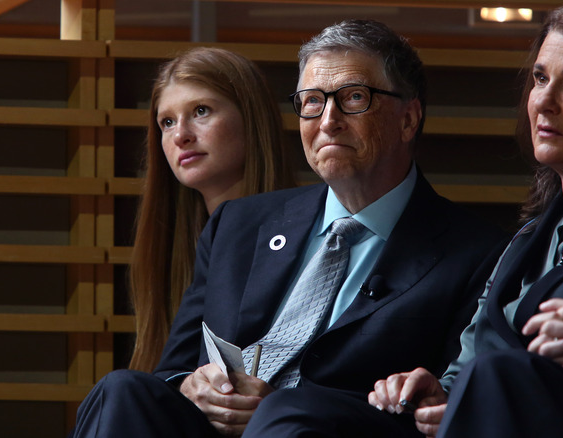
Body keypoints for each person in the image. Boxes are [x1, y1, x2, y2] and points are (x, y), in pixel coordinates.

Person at [69, 19, 505, 437]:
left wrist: (275, 405)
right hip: (209, 429)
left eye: (354, 98)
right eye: (313, 101)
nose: (328, 120)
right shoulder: (238, 224)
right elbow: (171, 370)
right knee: (121, 390)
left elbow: (448, 406)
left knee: (289, 410)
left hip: (325, 428)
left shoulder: (477, 253)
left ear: (409, 119)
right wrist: (190, 386)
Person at [368, 3, 563, 437]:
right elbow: (469, 367)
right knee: (301, 408)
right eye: (540, 78)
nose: (544, 101)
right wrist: (441, 397)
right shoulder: (528, 237)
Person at [128, 47, 296, 373]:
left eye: (201, 111)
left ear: (252, 117)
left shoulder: (314, 234)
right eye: (167, 122)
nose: (181, 136)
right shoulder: (171, 253)